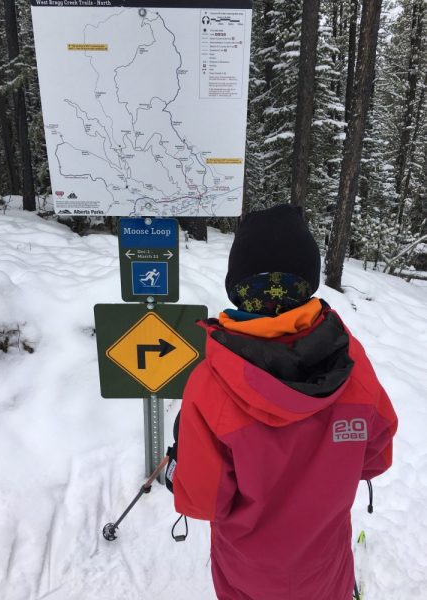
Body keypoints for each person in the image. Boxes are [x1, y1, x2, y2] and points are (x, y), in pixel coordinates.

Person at [165, 204, 397, 600]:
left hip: (248, 570)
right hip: (325, 566)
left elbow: (205, 501)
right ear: (308, 282)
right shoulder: (353, 365)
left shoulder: (211, 383)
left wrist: (177, 468)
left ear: (237, 286)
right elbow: (375, 458)